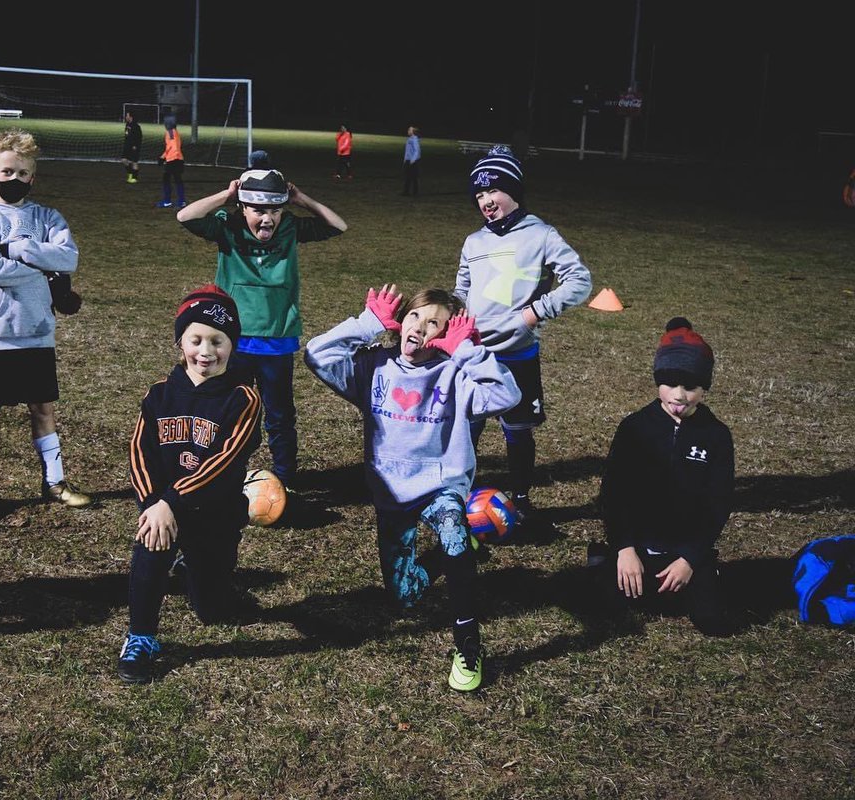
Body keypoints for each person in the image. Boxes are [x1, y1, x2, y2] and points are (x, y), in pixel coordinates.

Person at [304, 285, 522, 690]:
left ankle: (468, 646)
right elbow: (316, 355)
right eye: (415, 317)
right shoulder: (373, 368)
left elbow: (507, 395)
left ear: (446, 335)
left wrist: (467, 353)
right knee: (405, 596)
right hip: (391, 492)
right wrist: (368, 323)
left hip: (440, 486)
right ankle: (451, 555)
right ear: (400, 322)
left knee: (454, 530)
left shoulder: (455, 372)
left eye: (434, 323)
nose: (420, 327)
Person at [118, 284, 262, 684]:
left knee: (213, 612)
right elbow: (139, 451)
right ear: (180, 342)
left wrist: (171, 501)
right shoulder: (159, 394)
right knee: (151, 541)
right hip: (164, 511)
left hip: (215, 513)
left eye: (218, 341)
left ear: (232, 346)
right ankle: (141, 636)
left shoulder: (243, 398)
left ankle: (199, 571)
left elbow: (223, 462)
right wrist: (153, 503)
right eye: (195, 339)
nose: (206, 351)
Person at [176, 165, 348, 489]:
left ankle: (285, 480)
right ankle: (224, 474)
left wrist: (300, 199)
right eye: (258, 210)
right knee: (230, 412)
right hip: (233, 340)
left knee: (280, 416)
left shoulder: (291, 229)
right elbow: (185, 216)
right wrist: (226, 195)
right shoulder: (227, 225)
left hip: (276, 342)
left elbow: (339, 225)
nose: (267, 219)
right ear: (242, 207)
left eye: (275, 210)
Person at [454, 145, 592, 529]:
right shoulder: (474, 242)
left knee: (518, 431)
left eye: (492, 191)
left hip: (517, 356)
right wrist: (451, 314)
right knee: (466, 429)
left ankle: (521, 498)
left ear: (513, 189)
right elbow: (462, 289)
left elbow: (580, 281)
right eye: (478, 195)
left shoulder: (542, 235)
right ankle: (457, 494)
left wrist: (534, 312)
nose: (485, 201)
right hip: (475, 355)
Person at [0, 127, 91, 520]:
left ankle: (55, 482)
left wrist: (20, 249)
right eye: (7, 172)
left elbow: (68, 260)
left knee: (43, 408)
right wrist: (42, 269)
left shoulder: (47, 217)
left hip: (37, 329)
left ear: (32, 178)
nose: (14, 180)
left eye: (22, 174)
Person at [592, 318, 736, 636]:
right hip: (638, 548)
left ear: (705, 388)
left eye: (691, 387)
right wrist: (624, 548)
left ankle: (698, 574)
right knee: (600, 605)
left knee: (713, 621)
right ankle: (610, 564)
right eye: (670, 383)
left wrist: (691, 558)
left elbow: (718, 503)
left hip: (684, 552)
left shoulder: (717, 435)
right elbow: (613, 494)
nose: (680, 395)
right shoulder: (634, 428)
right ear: (658, 380)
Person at [156, 114, 185, 208]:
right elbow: (172, 147)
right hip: (177, 159)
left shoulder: (170, 132)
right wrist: (163, 157)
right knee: (177, 180)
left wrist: (164, 157)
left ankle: (167, 201)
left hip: (173, 159)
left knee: (167, 180)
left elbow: (172, 147)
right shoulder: (174, 132)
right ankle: (181, 201)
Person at [121, 110, 142, 184]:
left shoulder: (136, 126)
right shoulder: (127, 125)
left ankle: (134, 178)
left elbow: (139, 137)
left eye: (127, 115)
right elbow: (127, 135)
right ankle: (130, 174)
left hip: (134, 147)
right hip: (127, 146)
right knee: (124, 160)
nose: (126, 117)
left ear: (131, 117)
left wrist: (135, 146)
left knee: (134, 162)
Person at [403, 126, 421, 196]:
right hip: (408, 160)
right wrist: (405, 159)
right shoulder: (410, 139)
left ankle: (415, 193)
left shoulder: (414, 140)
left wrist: (413, 160)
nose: (408, 131)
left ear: (413, 132)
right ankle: (406, 192)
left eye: (409, 130)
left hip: (413, 161)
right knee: (407, 177)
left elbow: (417, 151)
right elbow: (407, 151)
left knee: (414, 177)